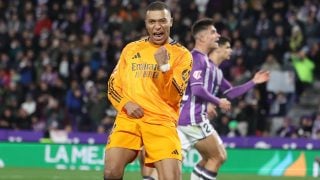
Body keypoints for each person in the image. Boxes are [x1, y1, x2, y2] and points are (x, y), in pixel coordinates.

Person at [104, 1, 193, 180]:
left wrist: (165, 68)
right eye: (152, 22)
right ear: (146, 24)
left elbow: (174, 97)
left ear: (171, 22)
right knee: (111, 171)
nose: (157, 26)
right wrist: (125, 103)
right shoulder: (131, 49)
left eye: (162, 21)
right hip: (129, 118)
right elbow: (113, 86)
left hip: (161, 121)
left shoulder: (182, 55)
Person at [178, 20, 270, 180]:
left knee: (202, 159)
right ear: (202, 37)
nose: (218, 35)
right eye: (213, 32)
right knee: (218, 156)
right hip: (192, 117)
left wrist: (253, 82)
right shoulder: (199, 60)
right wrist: (216, 102)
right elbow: (197, 89)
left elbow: (230, 93)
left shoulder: (209, 66)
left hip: (189, 116)